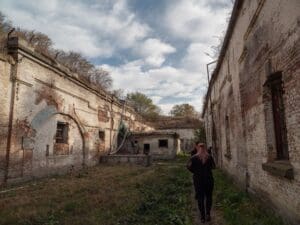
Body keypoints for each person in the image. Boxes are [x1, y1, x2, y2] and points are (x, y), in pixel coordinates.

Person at [187, 143, 216, 223]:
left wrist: (195, 172)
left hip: (198, 181)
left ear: (198, 148)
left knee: (200, 198)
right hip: (209, 180)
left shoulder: (193, 158)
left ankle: (202, 217)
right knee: (209, 197)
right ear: (205, 148)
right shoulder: (209, 157)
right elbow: (214, 167)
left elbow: (188, 167)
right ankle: (208, 214)